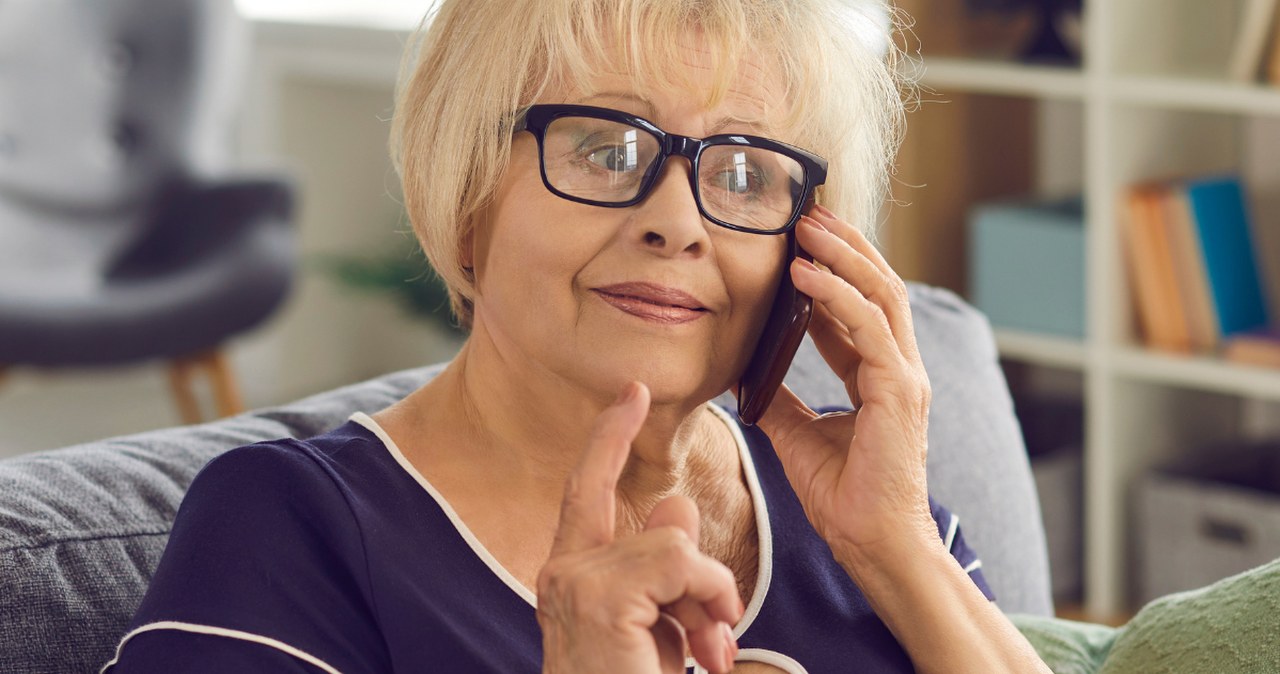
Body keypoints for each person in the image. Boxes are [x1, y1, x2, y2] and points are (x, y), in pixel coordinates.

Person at [103, 0, 1053, 672]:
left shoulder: (874, 516)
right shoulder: (290, 528)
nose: (679, 222)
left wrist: (897, 548)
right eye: (607, 149)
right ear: (468, 193)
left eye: (744, 172)